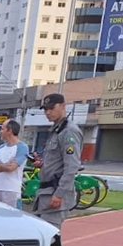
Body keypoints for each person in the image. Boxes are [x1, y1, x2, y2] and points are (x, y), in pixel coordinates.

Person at [34, 92, 82, 229]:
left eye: (51, 108)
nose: (48, 112)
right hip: (45, 194)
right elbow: (57, 161)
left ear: (62, 106)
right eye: (45, 109)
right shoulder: (56, 130)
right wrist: (43, 164)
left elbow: (72, 166)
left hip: (55, 195)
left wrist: (60, 194)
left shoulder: (69, 131)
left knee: (52, 239)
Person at [0, 119, 29, 209]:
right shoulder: (1, 148)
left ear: (10, 131)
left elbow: (11, 168)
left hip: (12, 190)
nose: (0, 132)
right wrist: (3, 165)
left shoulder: (22, 147)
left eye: (2, 129)